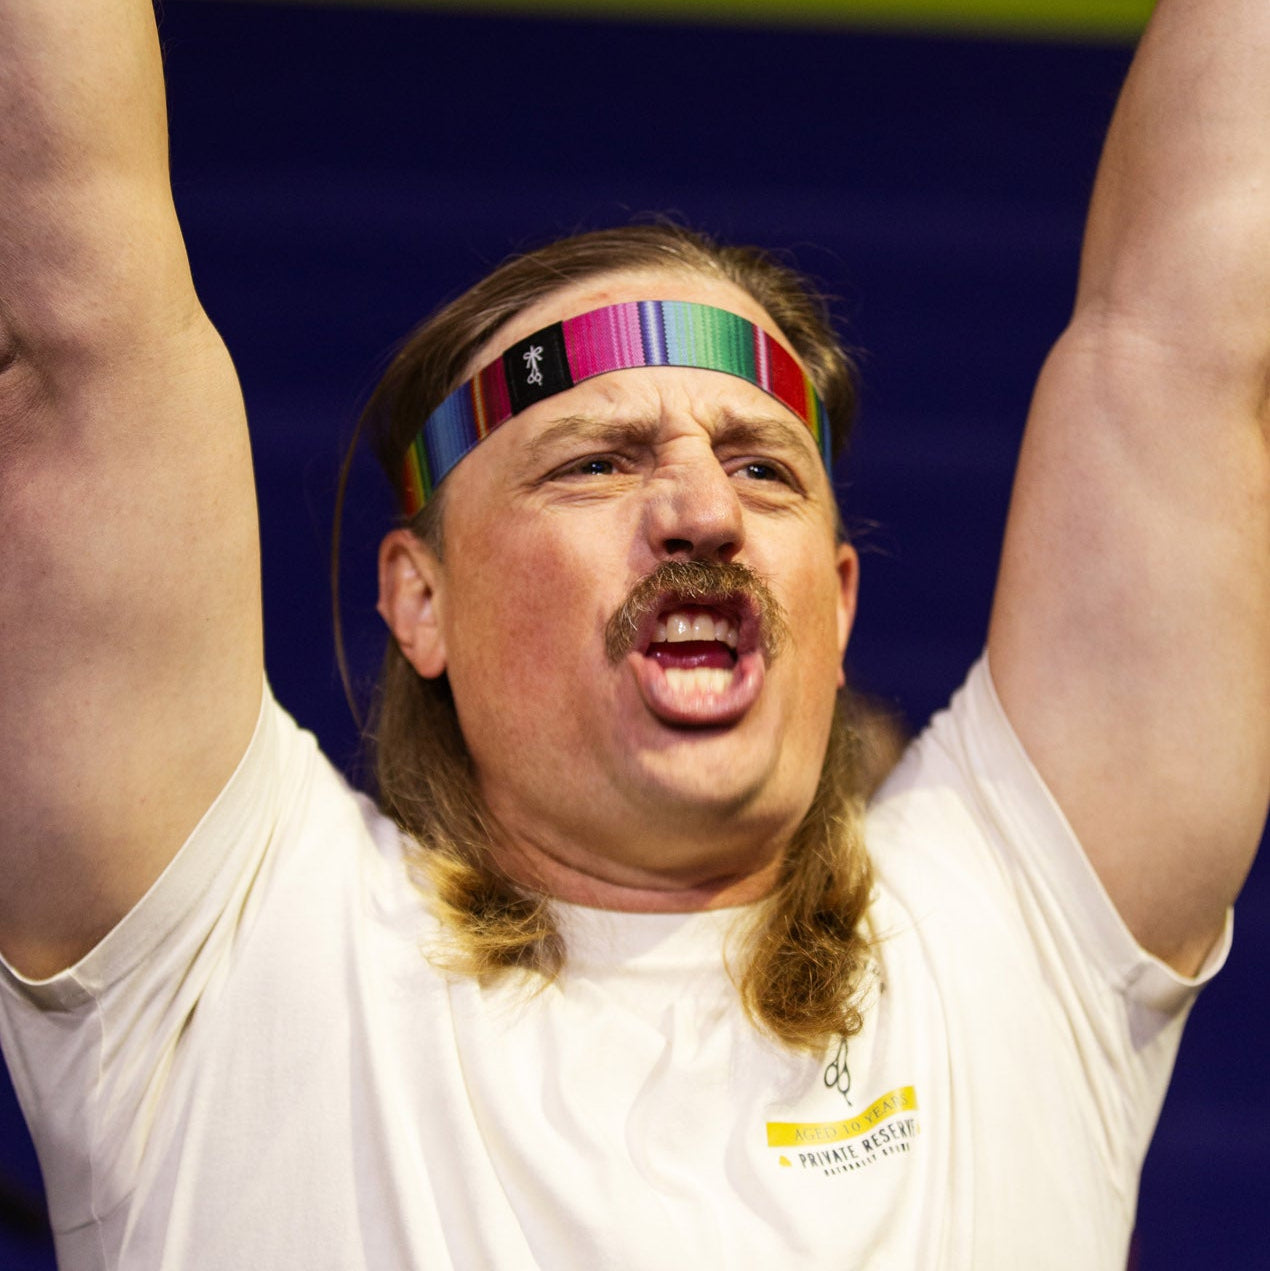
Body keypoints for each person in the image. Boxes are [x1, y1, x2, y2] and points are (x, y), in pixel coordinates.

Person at [0, 1, 1265, 1268]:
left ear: (839, 604)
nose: (704, 509)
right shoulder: (223, 960)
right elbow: (71, 337)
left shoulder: (1012, 941)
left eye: (764, 470)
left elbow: (1193, 345)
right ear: (419, 599)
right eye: (597, 462)